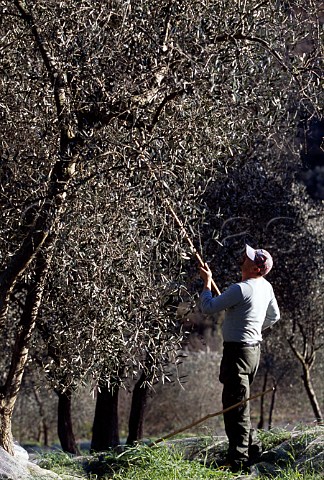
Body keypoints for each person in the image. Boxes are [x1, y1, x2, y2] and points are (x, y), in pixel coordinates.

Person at [199, 244, 280, 472]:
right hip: (252, 353)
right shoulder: (266, 287)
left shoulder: (241, 289)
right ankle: (250, 447)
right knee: (239, 404)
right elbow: (274, 316)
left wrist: (207, 282)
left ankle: (238, 460)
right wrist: (252, 326)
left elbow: (207, 307)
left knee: (235, 407)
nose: (244, 257)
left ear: (256, 269)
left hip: (237, 353)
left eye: (250, 258)